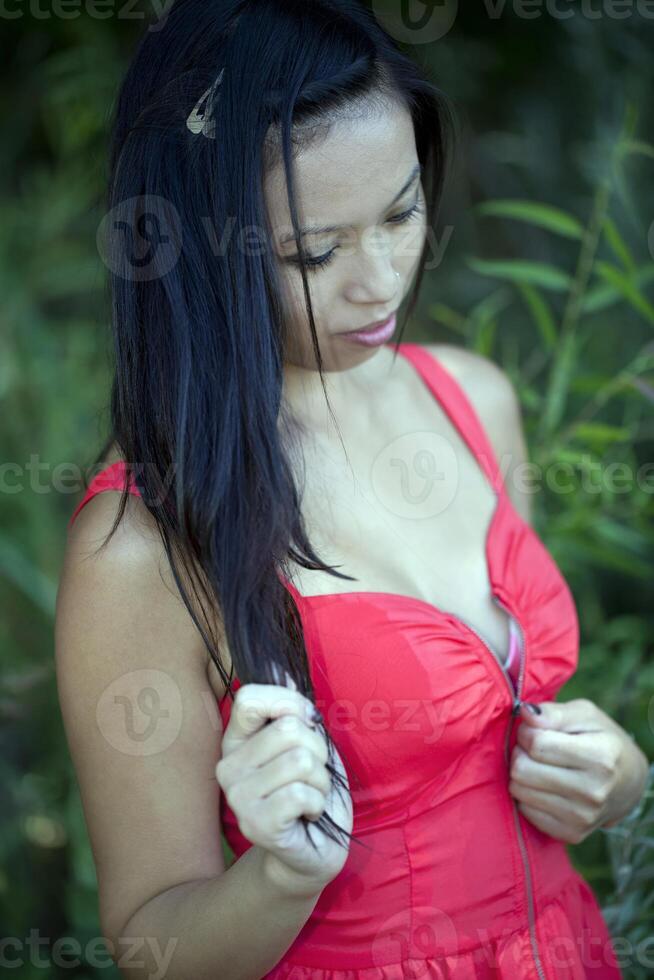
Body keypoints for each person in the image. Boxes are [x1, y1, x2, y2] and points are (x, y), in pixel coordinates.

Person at [55, 1, 649, 977]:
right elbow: (153, 943)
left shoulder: (473, 399)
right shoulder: (145, 536)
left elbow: (513, 719)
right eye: (313, 253)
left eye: (403, 212)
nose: (379, 282)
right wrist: (283, 873)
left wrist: (613, 773)